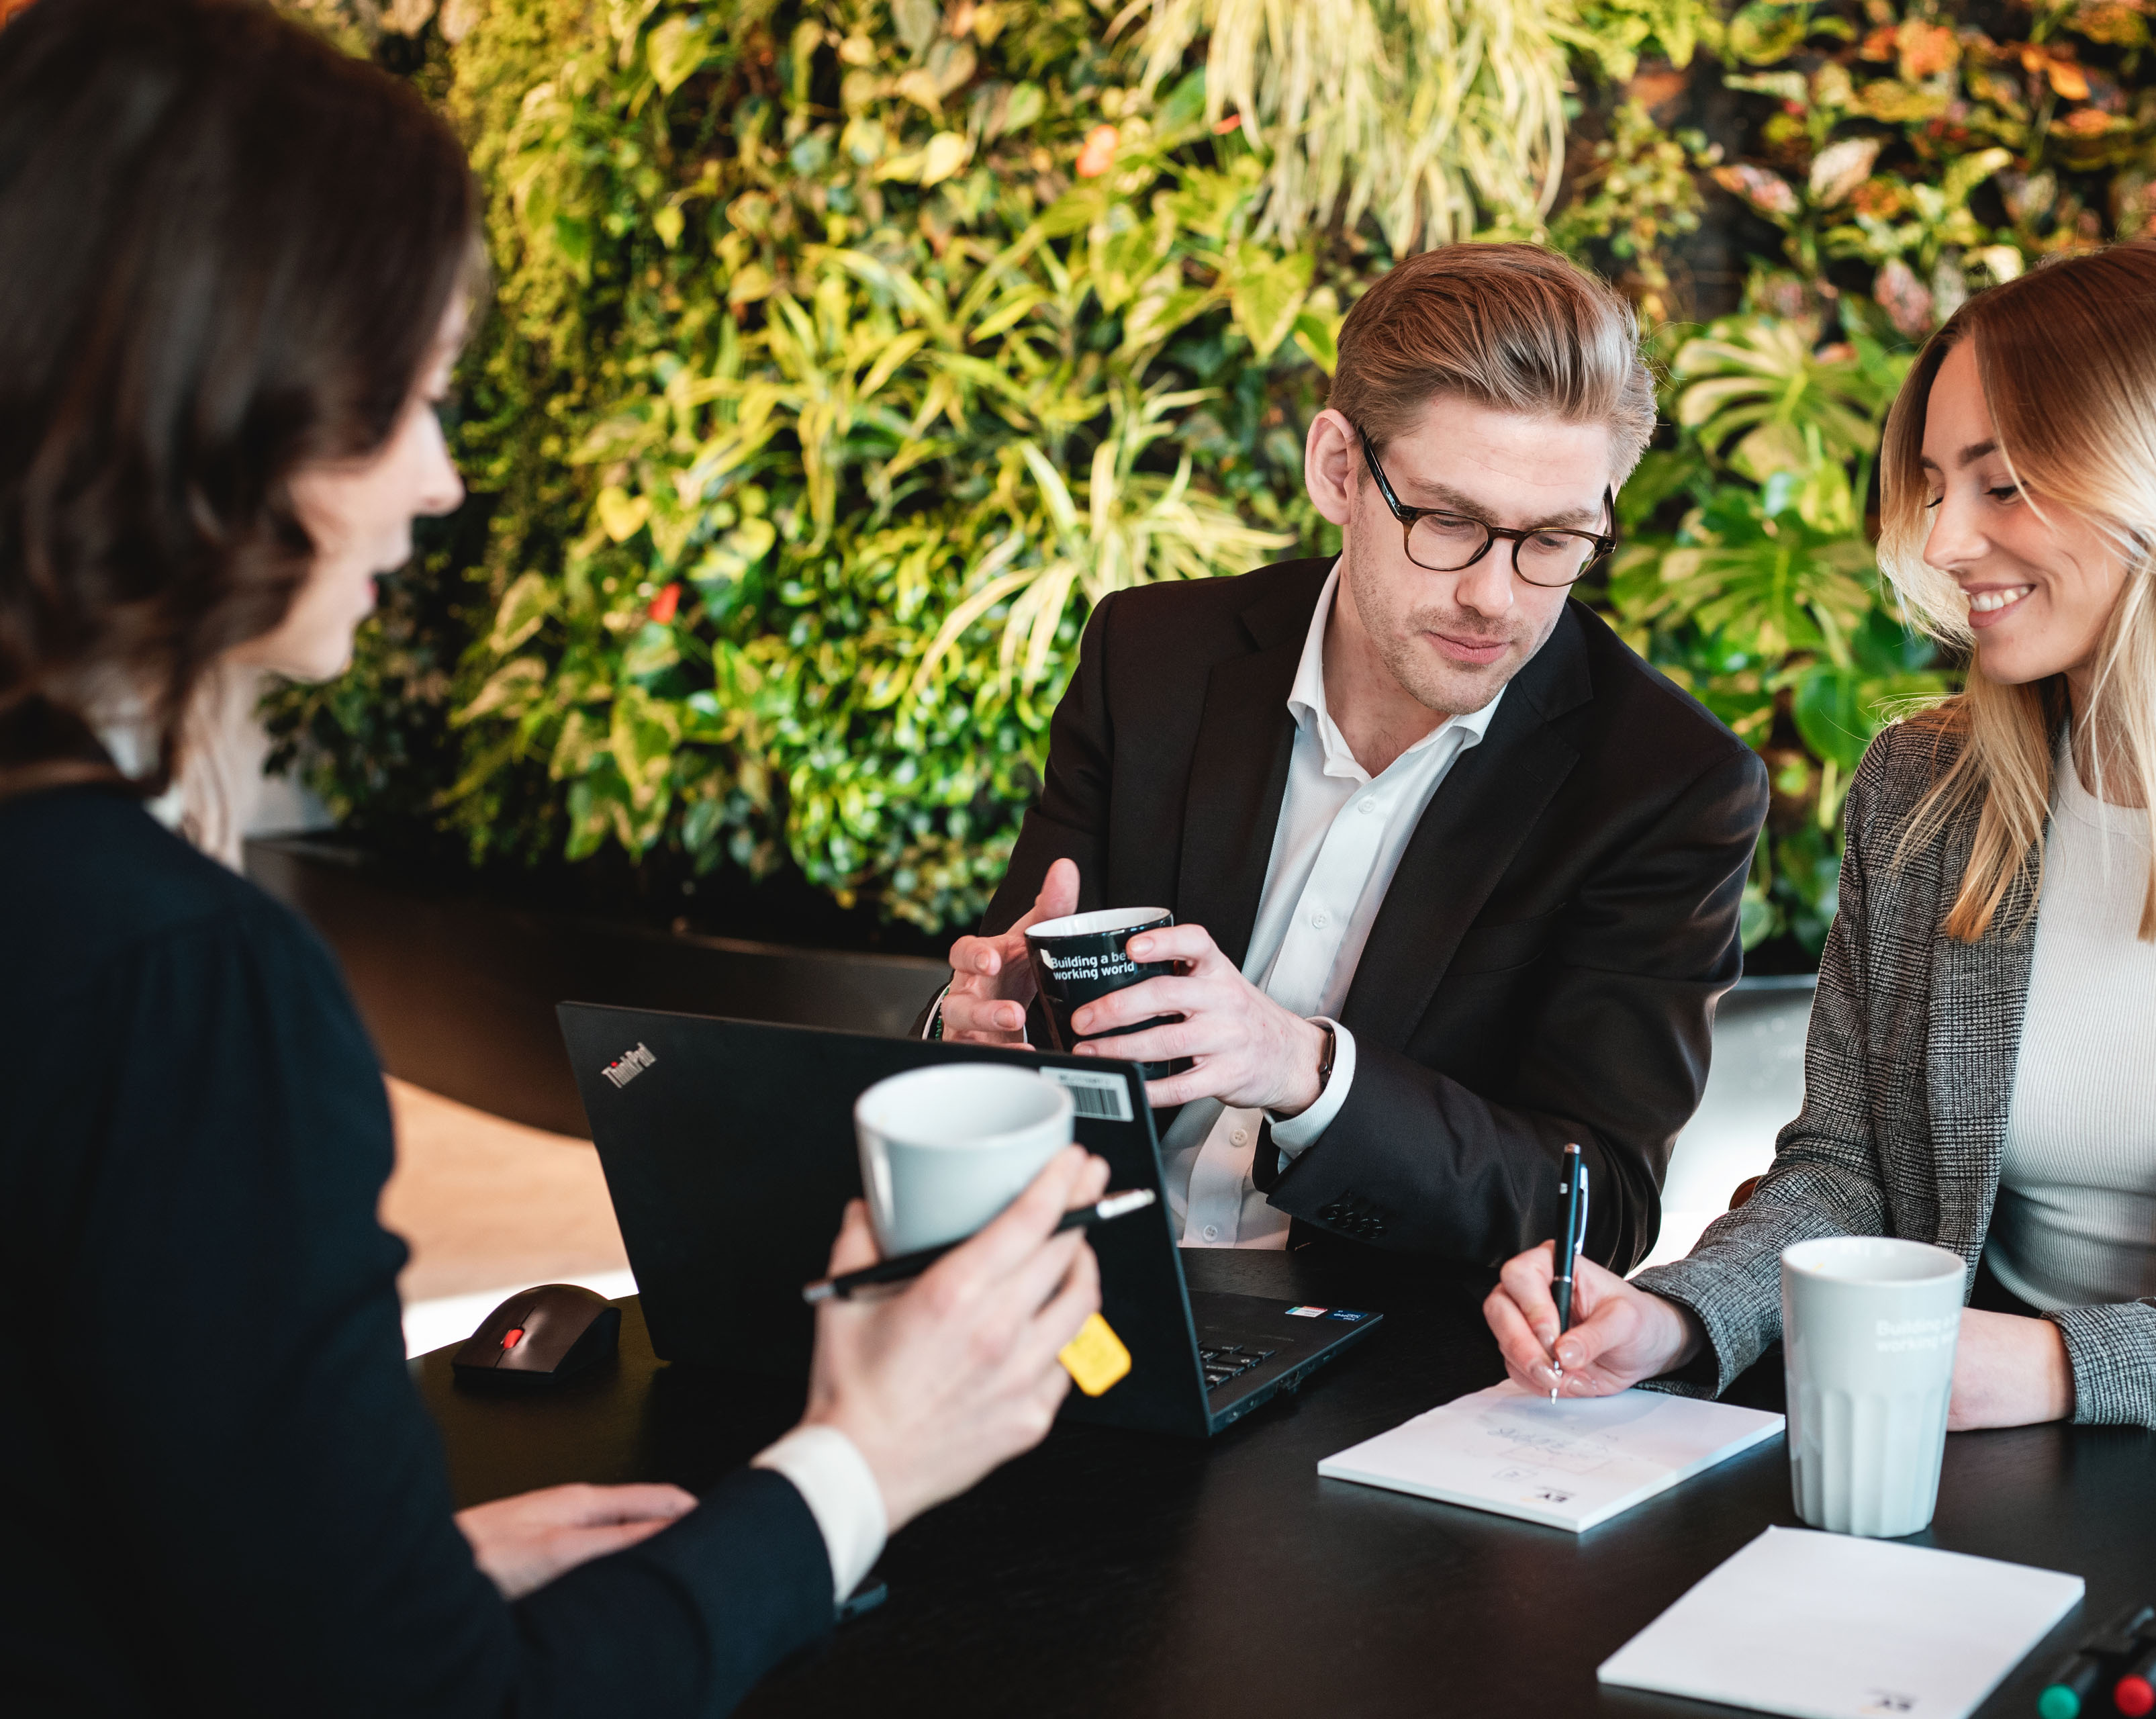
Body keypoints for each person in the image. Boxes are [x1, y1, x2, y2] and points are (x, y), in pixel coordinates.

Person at [0, 2, 1105, 1712]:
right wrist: (861, 1458)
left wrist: (369, 1575)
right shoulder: (183, 983)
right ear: (233, 406)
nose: (437, 482)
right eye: (415, 402)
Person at [1484, 240, 2156, 1505]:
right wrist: (1679, 1317)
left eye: (2002, 487)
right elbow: (1849, 1171)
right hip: (1960, 1474)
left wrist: (2064, 1367)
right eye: (1938, 486)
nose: (1947, 541)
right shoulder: (1924, 788)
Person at [933, 243, 1769, 1272]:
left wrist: (1303, 1068)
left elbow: (1596, 1209)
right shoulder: (1150, 658)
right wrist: (981, 1033)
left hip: (1386, 1374)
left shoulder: (1667, 783)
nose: (1495, 598)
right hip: (1079, 1294)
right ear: (1338, 468)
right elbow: (1022, 1008)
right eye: (1450, 522)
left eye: (1554, 541)